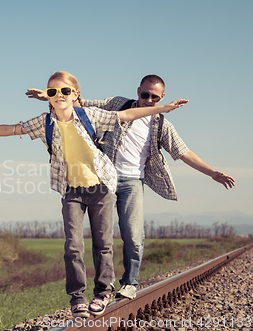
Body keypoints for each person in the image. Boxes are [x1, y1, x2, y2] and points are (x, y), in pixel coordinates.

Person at [0, 71, 187, 317]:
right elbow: (10, 129)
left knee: (103, 244)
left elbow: (125, 114)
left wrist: (162, 109)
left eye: (63, 91)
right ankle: (78, 298)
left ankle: (103, 293)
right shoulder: (44, 122)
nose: (58, 96)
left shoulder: (89, 115)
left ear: (75, 95)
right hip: (71, 190)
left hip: (100, 188)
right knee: (73, 246)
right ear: (48, 97)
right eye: (52, 92)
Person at [25, 74, 235, 301]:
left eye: (155, 97)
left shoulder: (161, 124)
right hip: (104, 178)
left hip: (133, 182)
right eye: (145, 95)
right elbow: (81, 104)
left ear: (162, 97)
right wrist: (50, 95)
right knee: (101, 237)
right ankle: (104, 286)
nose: (149, 100)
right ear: (138, 91)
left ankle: (129, 283)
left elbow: (184, 152)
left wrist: (212, 172)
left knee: (133, 235)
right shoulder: (119, 105)